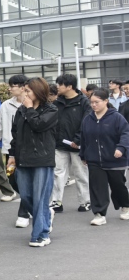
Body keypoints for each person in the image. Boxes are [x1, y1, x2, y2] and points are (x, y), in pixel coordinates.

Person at [8, 78, 58, 248]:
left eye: (28, 91)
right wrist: (12, 155)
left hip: (42, 159)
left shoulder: (51, 109)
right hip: (23, 159)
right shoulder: (21, 110)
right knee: (26, 195)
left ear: (38, 91)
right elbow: (15, 134)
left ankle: (41, 235)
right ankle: (46, 215)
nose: (25, 94)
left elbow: (38, 125)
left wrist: (29, 108)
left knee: (39, 198)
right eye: (25, 90)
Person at [79, 88, 129, 225]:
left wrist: (121, 148)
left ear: (106, 101)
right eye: (91, 102)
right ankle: (99, 214)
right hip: (94, 160)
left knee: (118, 186)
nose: (94, 105)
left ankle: (126, 206)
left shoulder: (116, 117)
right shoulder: (88, 119)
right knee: (97, 188)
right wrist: (83, 154)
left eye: (97, 102)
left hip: (115, 159)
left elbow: (125, 134)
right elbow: (84, 138)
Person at [0, 75, 32, 226]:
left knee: (25, 181)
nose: (9, 89)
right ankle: (34, 204)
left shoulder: (33, 103)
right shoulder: (6, 105)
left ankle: (24, 213)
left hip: (30, 150)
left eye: (12, 86)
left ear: (22, 87)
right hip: (11, 150)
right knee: (13, 179)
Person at [50, 74, 91, 213]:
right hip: (59, 145)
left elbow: (86, 122)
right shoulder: (57, 103)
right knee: (57, 173)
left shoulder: (84, 102)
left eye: (60, 84)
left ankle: (85, 202)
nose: (57, 87)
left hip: (77, 146)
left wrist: (77, 139)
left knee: (81, 174)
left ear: (69, 86)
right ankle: (56, 202)